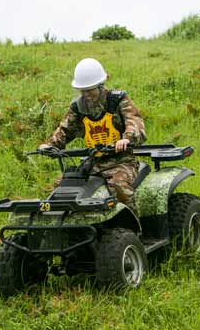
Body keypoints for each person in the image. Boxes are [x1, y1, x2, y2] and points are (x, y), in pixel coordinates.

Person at [38, 58, 146, 213]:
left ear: (100, 86)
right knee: (61, 186)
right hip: (92, 162)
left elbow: (134, 121)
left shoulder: (118, 100)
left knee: (119, 185)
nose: (87, 95)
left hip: (121, 161)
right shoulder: (78, 107)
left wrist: (127, 138)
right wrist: (51, 145)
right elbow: (65, 129)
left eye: (90, 90)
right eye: (83, 91)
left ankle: (134, 228)